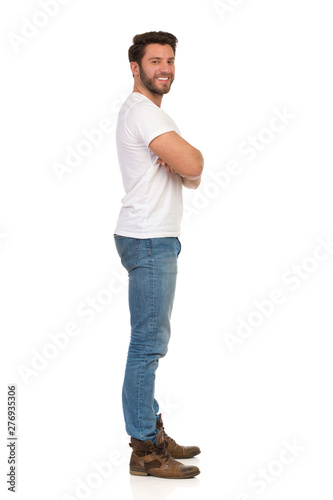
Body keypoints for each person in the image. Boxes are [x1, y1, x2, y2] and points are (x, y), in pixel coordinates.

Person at [113, 31, 204, 479]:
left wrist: (186, 165)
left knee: (150, 343)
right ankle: (144, 450)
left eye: (169, 60)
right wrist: (189, 161)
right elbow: (194, 165)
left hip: (153, 236)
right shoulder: (143, 113)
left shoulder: (151, 115)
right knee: (148, 346)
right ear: (136, 67)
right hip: (148, 237)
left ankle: (150, 430)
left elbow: (188, 173)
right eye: (154, 61)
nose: (164, 67)